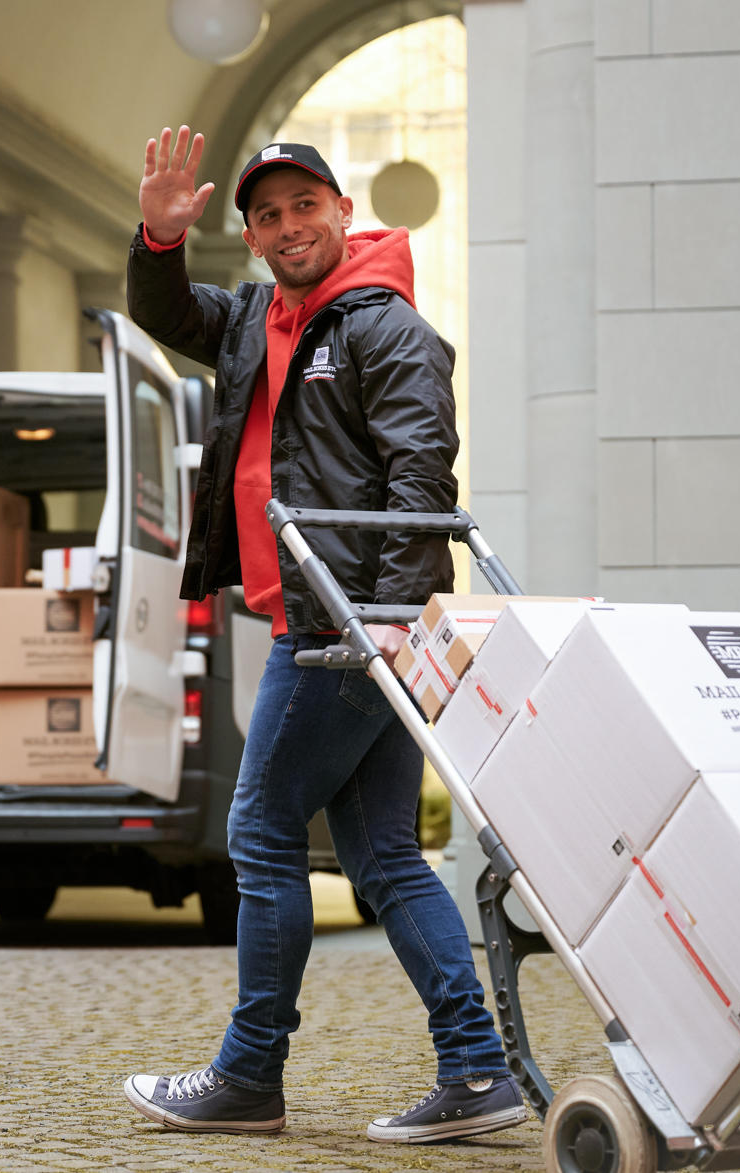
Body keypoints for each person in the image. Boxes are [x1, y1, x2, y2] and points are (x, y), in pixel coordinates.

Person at [118, 126, 524, 1144]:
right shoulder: (259, 317)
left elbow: (422, 484)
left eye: (307, 205)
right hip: (317, 617)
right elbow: (167, 311)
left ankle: (249, 1074)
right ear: (251, 237)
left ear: (345, 212)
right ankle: (478, 1069)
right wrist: (159, 238)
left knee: (260, 832)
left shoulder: (388, 329)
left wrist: (383, 625)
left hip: (349, 624)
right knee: (385, 850)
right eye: (269, 213)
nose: (290, 225)